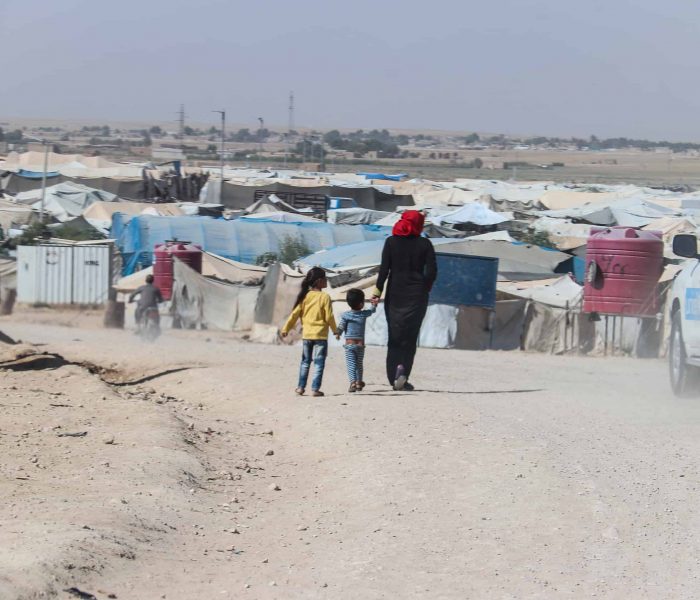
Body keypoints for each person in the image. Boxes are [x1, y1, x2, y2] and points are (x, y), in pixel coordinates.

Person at [372, 210, 437, 391]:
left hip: (394, 296)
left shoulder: (391, 242)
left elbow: (384, 270)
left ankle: (393, 374)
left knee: (395, 337)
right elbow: (431, 272)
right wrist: (424, 288)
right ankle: (403, 375)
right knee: (410, 337)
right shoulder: (425, 244)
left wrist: (377, 292)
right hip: (417, 297)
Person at [281, 266, 337, 397]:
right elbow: (329, 316)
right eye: (325, 278)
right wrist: (335, 330)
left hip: (307, 336)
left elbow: (294, 314)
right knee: (319, 363)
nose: (326, 281)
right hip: (321, 336)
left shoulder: (305, 296)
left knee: (305, 362)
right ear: (319, 281)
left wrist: (286, 328)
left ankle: (300, 388)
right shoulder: (325, 297)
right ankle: (315, 389)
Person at [336, 288, 377, 393]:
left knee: (351, 364)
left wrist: (338, 333)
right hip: (360, 345)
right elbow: (372, 310)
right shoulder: (363, 314)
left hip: (349, 345)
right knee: (359, 364)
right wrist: (374, 304)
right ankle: (359, 382)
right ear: (361, 304)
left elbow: (341, 326)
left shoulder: (345, 315)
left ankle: (353, 382)